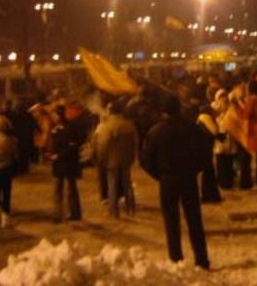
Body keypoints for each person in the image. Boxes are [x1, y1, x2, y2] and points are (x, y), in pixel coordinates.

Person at [140, 96, 210, 270]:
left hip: (168, 179)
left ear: (163, 111)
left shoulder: (156, 132)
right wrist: (196, 169)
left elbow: (146, 158)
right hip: (188, 178)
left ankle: (176, 258)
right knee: (194, 219)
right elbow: (205, 152)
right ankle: (201, 259)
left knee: (171, 221)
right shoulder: (193, 129)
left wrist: (159, 174)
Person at [93, 100, 138, 217]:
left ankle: (114, 210)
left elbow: (102, 145)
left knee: (112, 184)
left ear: (110, 111)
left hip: (111, 160)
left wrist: (100, 159)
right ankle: (131, 207)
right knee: (127, 183)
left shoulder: (105, 126)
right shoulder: (129, 124)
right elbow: (135, 142)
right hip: (126, 159)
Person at [49, 107, 83, 222]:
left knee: (71, 189)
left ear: (60, 116)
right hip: (58, 164)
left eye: (55, 115)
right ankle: (57, 214)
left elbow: (72, 146)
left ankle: (74, 213)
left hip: (68, 163)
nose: (53, 118)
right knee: (57, 189)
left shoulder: (70, 128)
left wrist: (59, 155)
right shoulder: (54, 129)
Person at [195, 105, 223, 203]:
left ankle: (209, 195)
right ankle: (209, 196)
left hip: (204, 148)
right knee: (208, 172)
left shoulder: (202, 118)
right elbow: (214, 131)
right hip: (205, 148)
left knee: (208, 172)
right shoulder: (205, 118)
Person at [210, 90, 236, 189]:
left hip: (229, 137)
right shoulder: (214, 107)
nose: (223, 99)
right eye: (221, 97)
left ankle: (228, 181)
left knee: (228, 161)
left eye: (224, 96)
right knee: (221, 161)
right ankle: (222, 181)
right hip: (219, 136)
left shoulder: (230, 107)